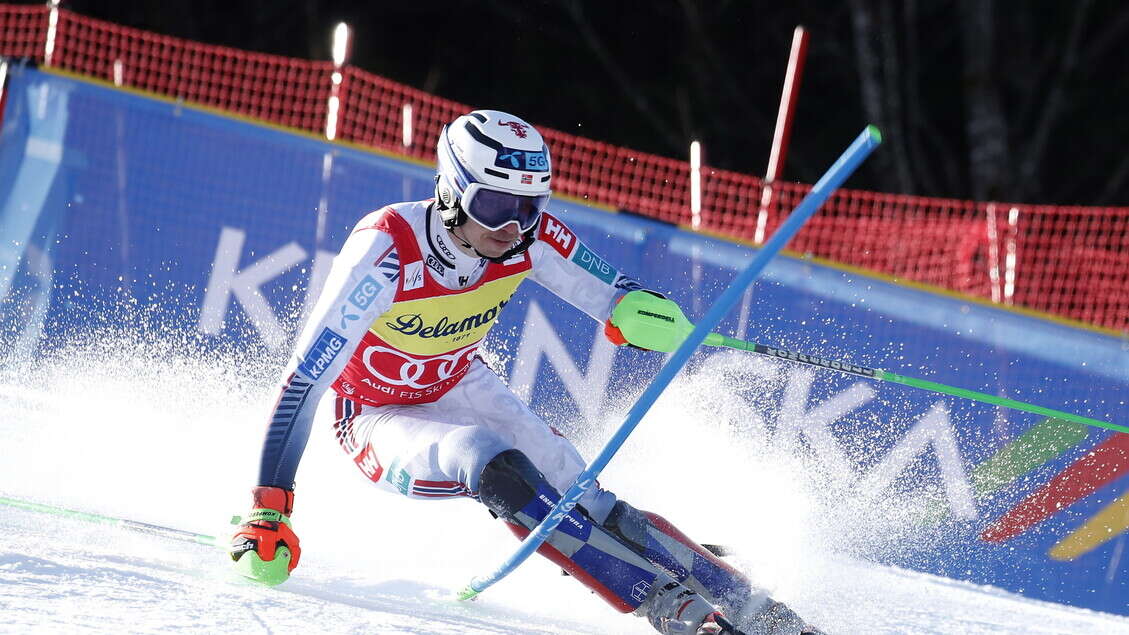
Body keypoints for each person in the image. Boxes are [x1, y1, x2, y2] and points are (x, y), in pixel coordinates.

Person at [229, 109, 822, 635]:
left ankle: (760, 613)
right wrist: (269, 505)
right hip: (377, 416)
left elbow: (612, 293)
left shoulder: (529, 237)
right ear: (453, 192)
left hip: (460, 382)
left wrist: (639, 314)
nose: (513, 227)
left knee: (591, 503)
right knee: (495, 465)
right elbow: (304, 381)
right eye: (495, 205)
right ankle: (675, 613)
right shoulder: (386, 249)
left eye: (529, 207)